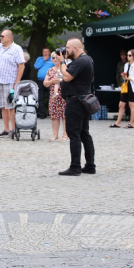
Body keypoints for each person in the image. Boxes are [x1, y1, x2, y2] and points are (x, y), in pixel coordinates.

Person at [58, 39, 95, 176]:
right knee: (84, 133)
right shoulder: (88, 59)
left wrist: (62, 62)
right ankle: (90, 165)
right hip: (84, 99)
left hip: (76, 101)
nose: (65, 50)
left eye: (67, 48)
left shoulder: (81, 61)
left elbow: (67, 77)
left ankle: (75, 167)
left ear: (75, 48)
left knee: (74, 134)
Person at [110, 49, 134, 129]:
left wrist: (128, 78)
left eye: (130, 55)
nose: (128, 57)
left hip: (132, 86)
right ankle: (118, 122)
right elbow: (125, 76)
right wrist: (124, 77)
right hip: (126, 85)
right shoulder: (126, 65)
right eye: (127, 55)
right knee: (121, 104)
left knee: (132, 104)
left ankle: (131, 123)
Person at [43, 52, 68, 141]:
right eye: (53, 58)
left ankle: (65, 135)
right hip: (54, 95)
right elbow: (45, 83)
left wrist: (61, 80)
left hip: (65, 95)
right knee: (54, 116)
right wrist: (52, 82)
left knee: (65, 115)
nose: (55, 59)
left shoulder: (65, 68)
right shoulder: (50, 70)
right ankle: (55, 135)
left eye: (57, 57)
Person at [34, 47, 54, 118]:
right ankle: (42, 113)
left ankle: (51, 113)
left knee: (51, 97)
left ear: (49, 52)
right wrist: (43, 60)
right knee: (40, 97)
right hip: (40, 80)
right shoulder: (39, 59)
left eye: (47, 52)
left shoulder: (52, 59)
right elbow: (36, 66)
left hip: (50, 81)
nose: (45, 53)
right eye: (44, 52)